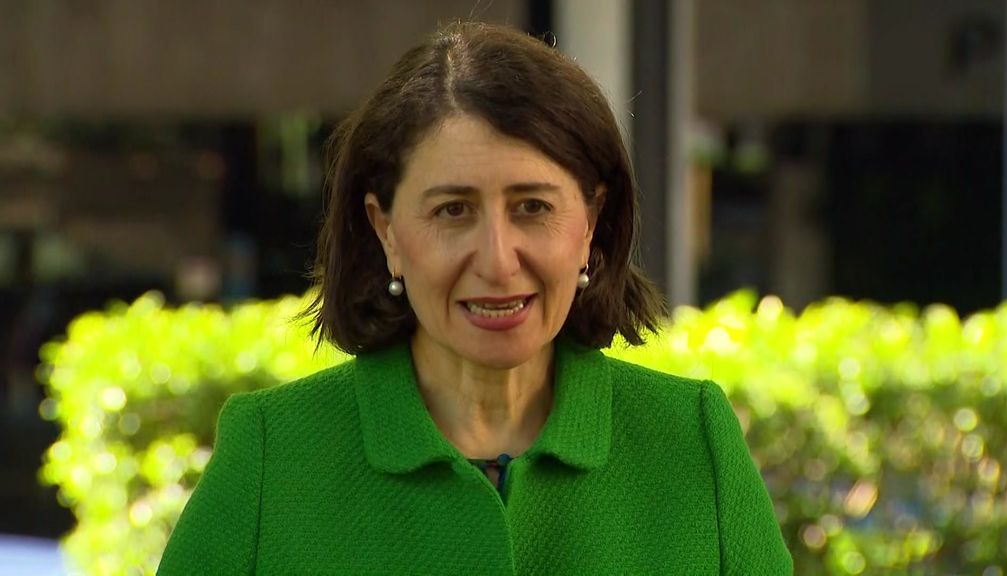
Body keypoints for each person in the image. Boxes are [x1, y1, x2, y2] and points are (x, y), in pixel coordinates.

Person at [158, 21, 792, 575]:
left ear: (591, 223)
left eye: (532, 207)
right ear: (386, 231)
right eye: (453, 210)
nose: (496, 260)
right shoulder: (272, 453)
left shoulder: (693, 443)